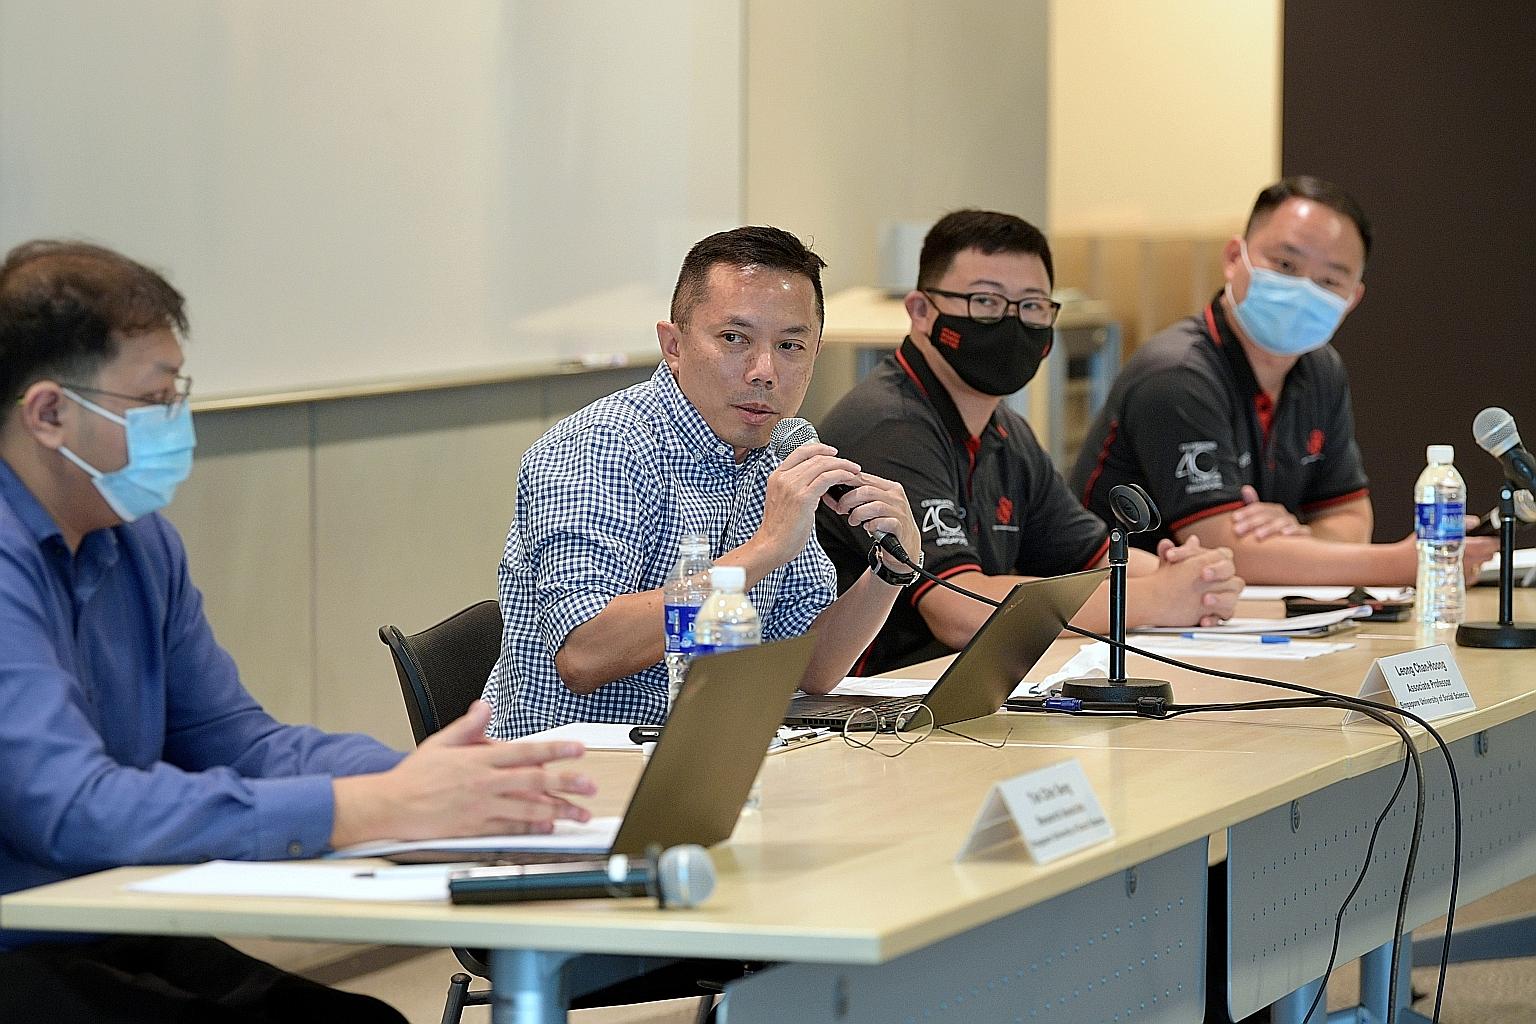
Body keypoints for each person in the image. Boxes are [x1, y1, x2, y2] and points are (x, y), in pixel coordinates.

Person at [0, 240, 597, 1023]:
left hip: (101, 921)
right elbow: (74, 808)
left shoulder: (140, 544)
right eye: (155, 402)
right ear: (49, 413)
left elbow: (241, 740)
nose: (179, 424)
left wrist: (428, 783)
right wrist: (363, 809)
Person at [483, 226, 922, 738]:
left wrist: (889, 572)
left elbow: (811, 668)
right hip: (580, 780)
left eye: (790, 346)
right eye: (734, 339)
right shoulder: (601, 448)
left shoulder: (782, 447)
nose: (764, 372)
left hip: (711, 758)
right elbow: (586, 654)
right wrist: (764, 550)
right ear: (673, 345)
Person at [814, 210, 1244, 674]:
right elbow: (961, 610)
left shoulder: (1005, 431)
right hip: (872, 717)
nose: (1012, 322)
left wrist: (1197, 574)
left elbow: (1093, 556)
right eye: (985, 302)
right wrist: (1158, 597)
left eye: (1033, 306)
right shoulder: (890, 426)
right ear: (921, 311)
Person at [1068, 176, 1499, 585]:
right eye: (1285, 264)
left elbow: (1350, 519)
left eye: (1330, 280)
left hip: (1232, 616)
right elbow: (1227, 549)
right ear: (1235, 258)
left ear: (1352, 299)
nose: (1303, 290)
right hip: (1117, 623)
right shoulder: (1176, 374)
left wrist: (1296, 536)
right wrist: (1406, 564)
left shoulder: (1320, 369)